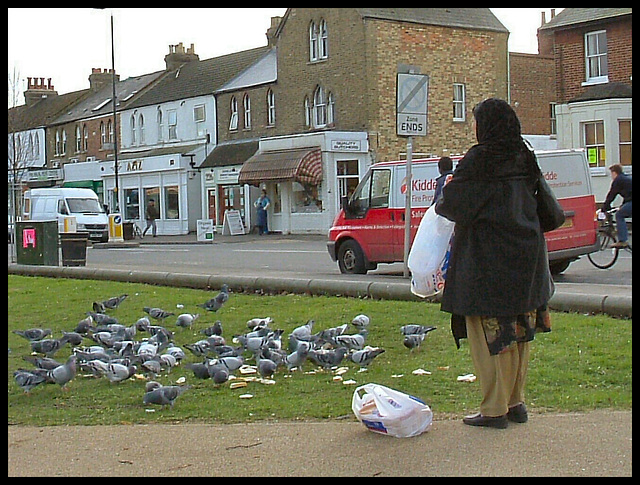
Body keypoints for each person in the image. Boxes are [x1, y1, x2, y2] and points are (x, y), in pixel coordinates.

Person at [435, 98, 553, 429]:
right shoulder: (523, 155)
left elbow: (453, 205)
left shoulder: (481, 158)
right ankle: (515, 402)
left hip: (488, 259)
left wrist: (446, 190)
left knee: (488, 335)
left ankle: (493, 409)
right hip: (527, 255)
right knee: (519, 331)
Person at [601, 164, 632, 249]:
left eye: (611, 173)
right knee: (623, 211)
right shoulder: (625, 178)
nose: (611, 176)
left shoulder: (618, 180)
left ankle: (622, 241)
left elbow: (611, 195)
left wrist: (604, 208)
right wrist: (622, 206)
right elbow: (628, 195)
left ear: (614, 172)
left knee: (619, 215)